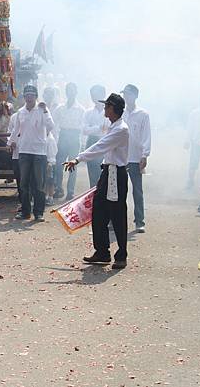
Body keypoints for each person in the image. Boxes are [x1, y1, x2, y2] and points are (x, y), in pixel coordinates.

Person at [63, 93, 130, 270]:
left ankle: (121, 254)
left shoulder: (121, 129)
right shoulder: (113, 126)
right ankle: (102, 251)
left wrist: (78, 159)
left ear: (113, 109)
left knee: (117, 215)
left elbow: (100, 146)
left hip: (116, 174)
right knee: (99, 212)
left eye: (107, 106)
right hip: (108, 172)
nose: (105, 109)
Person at [7, 85, 55, 222]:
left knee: (39, 184)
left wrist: (45, 110)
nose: (29, 98)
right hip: (24, 151)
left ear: (35, 96)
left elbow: (51, 126)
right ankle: (25, 212)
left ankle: (38, 212)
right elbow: (16, 130)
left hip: (39, 152)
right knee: (23, 184)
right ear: (24, 97)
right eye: (27, 95)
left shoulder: (42, 110)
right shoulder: (20, 112)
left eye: (32, 95)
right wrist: (9, 143)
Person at [121, 84, 151, 233]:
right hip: (121, 157)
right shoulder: (121, 112)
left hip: (135, 157)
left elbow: (146, 136)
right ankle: (116, 221)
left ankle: (139, 221)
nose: (126, 97)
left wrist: (145, 155)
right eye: (125, 94)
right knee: (119, 191)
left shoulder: (143, 114)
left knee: (137, 191)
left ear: (135, 96)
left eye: (129, 94)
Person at [53, 82, 85, 200]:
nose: (70, 93)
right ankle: (58, 188)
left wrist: (81, 142)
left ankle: (70, 191)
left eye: (72, 90)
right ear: (65, 92)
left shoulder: (81, 109)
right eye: (68, 90)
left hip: (74, 136)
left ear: (76, 92)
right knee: (59, 163)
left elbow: (83, 126)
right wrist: (55, 138)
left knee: (73, 165)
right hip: (63, 134)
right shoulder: (60, 108)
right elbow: (53, 123)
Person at [82, 85, 109, 188]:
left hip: (105, 144)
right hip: (92, 142)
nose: (94, 97)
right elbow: (84, 130)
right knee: (92, 174)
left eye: (96, 94)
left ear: (103, 95)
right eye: (92, 95)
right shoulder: (88, 112)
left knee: (104, 173)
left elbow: (109, 128)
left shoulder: (109, 111)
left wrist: (93, 129)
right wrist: (99, 128)